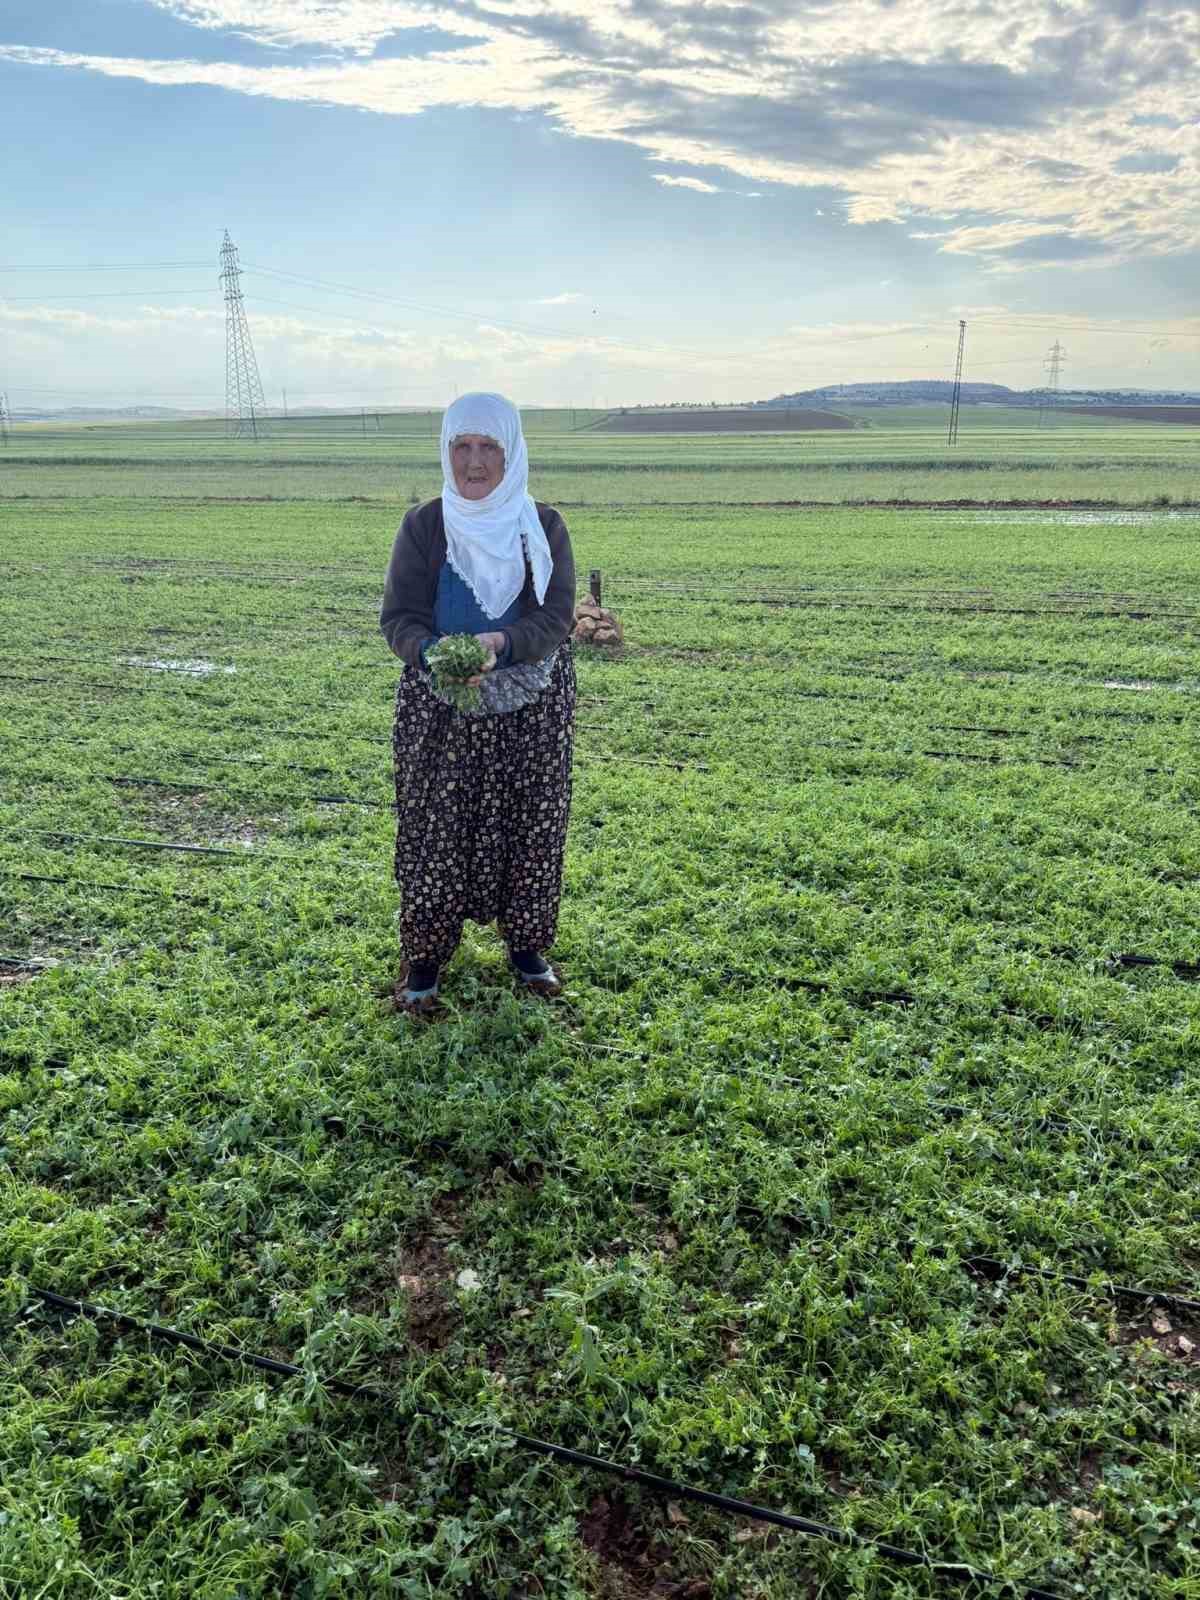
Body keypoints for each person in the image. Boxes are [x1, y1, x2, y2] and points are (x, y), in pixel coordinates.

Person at [379, 393, 578, 1015]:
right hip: (442, 708)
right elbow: (400, 618)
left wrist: (504, 643)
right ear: (446, 452)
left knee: (532, 826)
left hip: (531, 703)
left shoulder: (541, 526)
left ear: (510, 451)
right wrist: (435, 656)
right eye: (461, 447)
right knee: (436, 830)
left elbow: (557, 615)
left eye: (488, 447)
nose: (474, 462)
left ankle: (526, 950)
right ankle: (425, 961)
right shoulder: (425, 525)